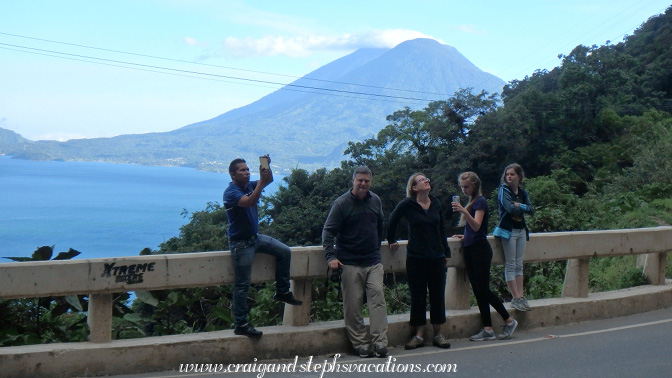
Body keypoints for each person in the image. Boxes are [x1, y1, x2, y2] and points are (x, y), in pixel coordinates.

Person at [223, 156, 302, 338]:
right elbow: (249, 201)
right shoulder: (231, 192)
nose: (247, 172)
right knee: (242, 285)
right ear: (233, 174)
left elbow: (269, 180)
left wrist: (267, 169)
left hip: (255, 238)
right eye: (243, 170)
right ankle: (241, 323)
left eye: (248, 169)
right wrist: (258, 183)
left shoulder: (249, 185)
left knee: (284, 251)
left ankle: (282, 291)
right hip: (240, 244)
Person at [322, 166, 389, 358]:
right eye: (360, 180)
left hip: (373, 260)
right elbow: (328, 231)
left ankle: (380, 343)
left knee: (378, 299)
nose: (363, 184)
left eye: (367, 180)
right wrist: (331, 257)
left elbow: (380, 225)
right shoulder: (342, 203)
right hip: (349, 261)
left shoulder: (375, 200)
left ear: (371, 182)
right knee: (353, 305)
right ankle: (361, 344)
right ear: (353, 181)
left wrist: (376, 247)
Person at [387, 173, 451, 350]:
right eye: (422, 180)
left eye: (427, 179)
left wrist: (446, 251)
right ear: (414, 188)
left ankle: (438, 334)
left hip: (437, 257)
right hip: (416, 257)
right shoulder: (408, 204)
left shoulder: (435, 203)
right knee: (418, 296)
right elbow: (392, 220)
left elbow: (441, 228)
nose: (426, 180)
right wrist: (391, 239)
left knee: (438, 295)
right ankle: (418, 335)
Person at [452, 171, 517, 341]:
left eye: (466, 186)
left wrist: (463, 212)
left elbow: (477, 225)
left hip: (480, 250)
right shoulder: (472, 202)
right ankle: (487, 328)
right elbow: (473, 230)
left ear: (474, 185)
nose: (464, 190)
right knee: (478, 291)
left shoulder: (480, 201)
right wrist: (464, 236)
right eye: (462, 187)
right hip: (470, 248)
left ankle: (509, 320)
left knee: (483, 289)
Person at [493, 163, 535, 311]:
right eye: (507, 174)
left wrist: (520, 205)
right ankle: (515, 297)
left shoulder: (522, 192)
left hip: (521, 230)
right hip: (507, 231)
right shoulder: (503, 190)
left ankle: (520, 296)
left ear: (519, 176)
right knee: (511, 264)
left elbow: (531, 210)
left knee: (519, 264)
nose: (509, 176)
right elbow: (509, 208)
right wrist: (519, 206)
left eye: (512, 174)